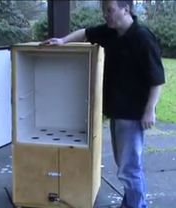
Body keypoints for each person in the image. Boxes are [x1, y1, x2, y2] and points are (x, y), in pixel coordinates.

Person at [42, 0, 165, 208]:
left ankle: (137, 206)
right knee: (125, 166)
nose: (105, 15)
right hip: (117, 112)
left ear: (126, 9)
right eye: (104, 11)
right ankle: (131, 203)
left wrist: (149, 110)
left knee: (130, 168)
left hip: (133, 115)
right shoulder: (110, 32)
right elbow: (85, 32)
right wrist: (63, 41)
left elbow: (158, 79)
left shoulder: (142, 37)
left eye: (110, 10)